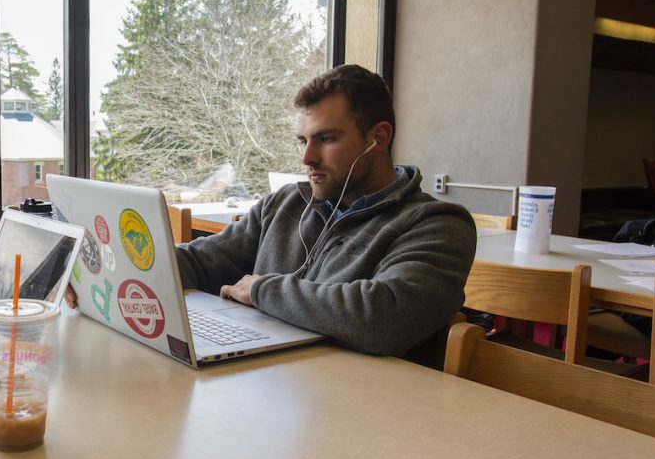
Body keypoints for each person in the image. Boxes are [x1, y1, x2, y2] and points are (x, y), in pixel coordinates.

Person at [69, 64, 476, 363]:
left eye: (326, 139)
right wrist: (102, 270)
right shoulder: (286, 204)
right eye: (302, 140)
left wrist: (261, 290)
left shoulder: (437, 226)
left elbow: (382, 318)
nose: (307, 157)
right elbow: (200, 261)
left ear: (378, 137)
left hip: (367, 416)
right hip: (275, 390)